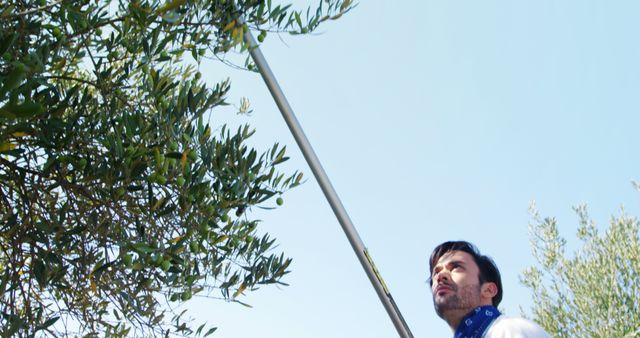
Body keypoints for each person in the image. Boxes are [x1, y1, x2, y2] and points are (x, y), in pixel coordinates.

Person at [428, 241, 551, 338]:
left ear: (488, 290)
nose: (440, 276)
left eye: (456, 267)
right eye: (436, 272)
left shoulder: (510, 330)